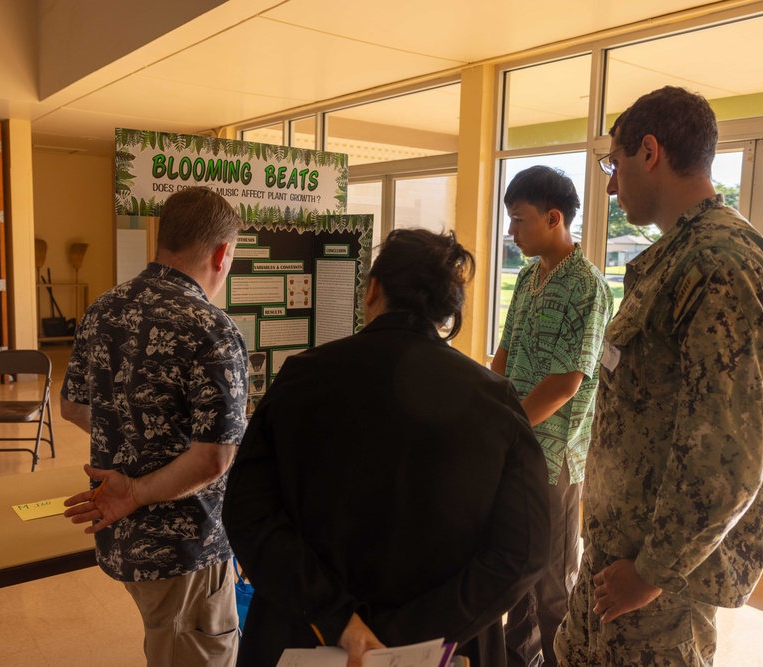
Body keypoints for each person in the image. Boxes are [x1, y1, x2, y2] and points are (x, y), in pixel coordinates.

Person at [222, 229, 551, 667]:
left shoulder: (302, 377)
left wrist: (339, 619)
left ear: (373, 288)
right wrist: (407, 637)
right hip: (445, 649)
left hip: (305, 636)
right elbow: (524, 549)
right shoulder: (495, 399)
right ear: (446, 308)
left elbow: (247, 512)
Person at [555, 86, 763, 666]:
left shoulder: (717, 261)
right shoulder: (679, 256)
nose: (609, 184)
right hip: (617, 561)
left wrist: (652, 572)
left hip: (656, 591)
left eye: (613, 162)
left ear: (649, 151)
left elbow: (729, 454)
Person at [61, 186, 248, 667]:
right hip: (185, 546)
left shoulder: (104, 308)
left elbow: (72, 405)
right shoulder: (209, 326)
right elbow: (215, 456)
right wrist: (138, 490)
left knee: (166, 643)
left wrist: (133, 445)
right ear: (223, 253)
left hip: (121, 540)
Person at [491, 166, 613, 667]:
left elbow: (566, 383)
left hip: (554, 459)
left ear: (554, 217)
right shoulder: (526, 278)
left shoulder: (588, 288)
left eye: (520, 221)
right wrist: (485, 408)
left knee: (553, 581)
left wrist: (506, 427)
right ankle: (518, 659)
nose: (513, 233)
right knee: (514, 567)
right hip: (513, 447)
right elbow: (504, 354)